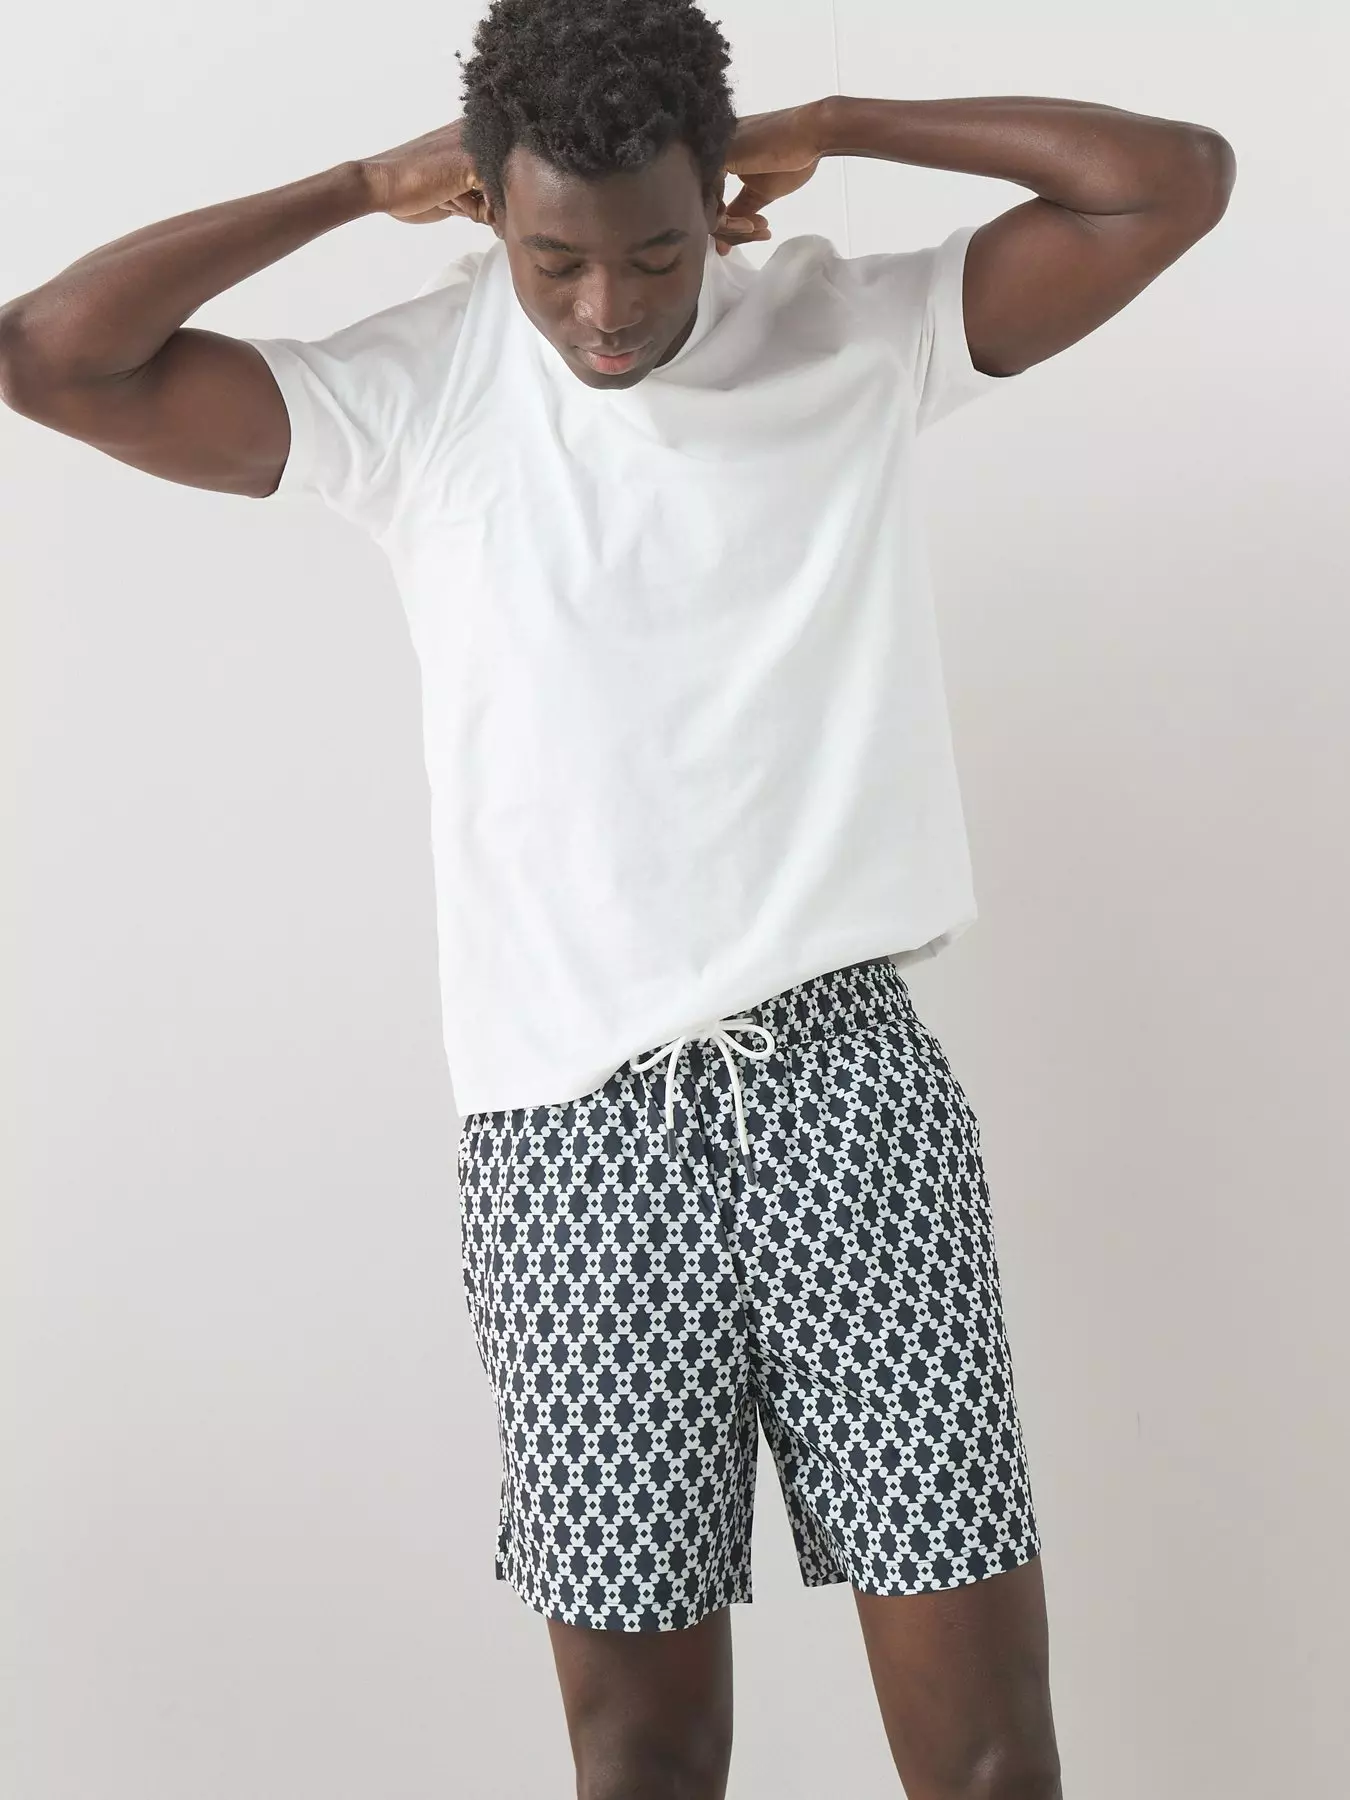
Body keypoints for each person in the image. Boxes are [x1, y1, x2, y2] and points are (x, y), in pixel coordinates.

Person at [0, 1, 1235, 1793]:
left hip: (847, 1096)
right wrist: (349, 187)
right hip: (568, 1139)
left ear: (718, 199)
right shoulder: (416, 392)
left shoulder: (848, 328)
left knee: (983, 1749)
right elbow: (51, 357)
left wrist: (844, 118)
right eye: (555, 260)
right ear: (487, 210)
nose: (606, 309)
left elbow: (1168, 183)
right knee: (641, 1750)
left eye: (656, 253)